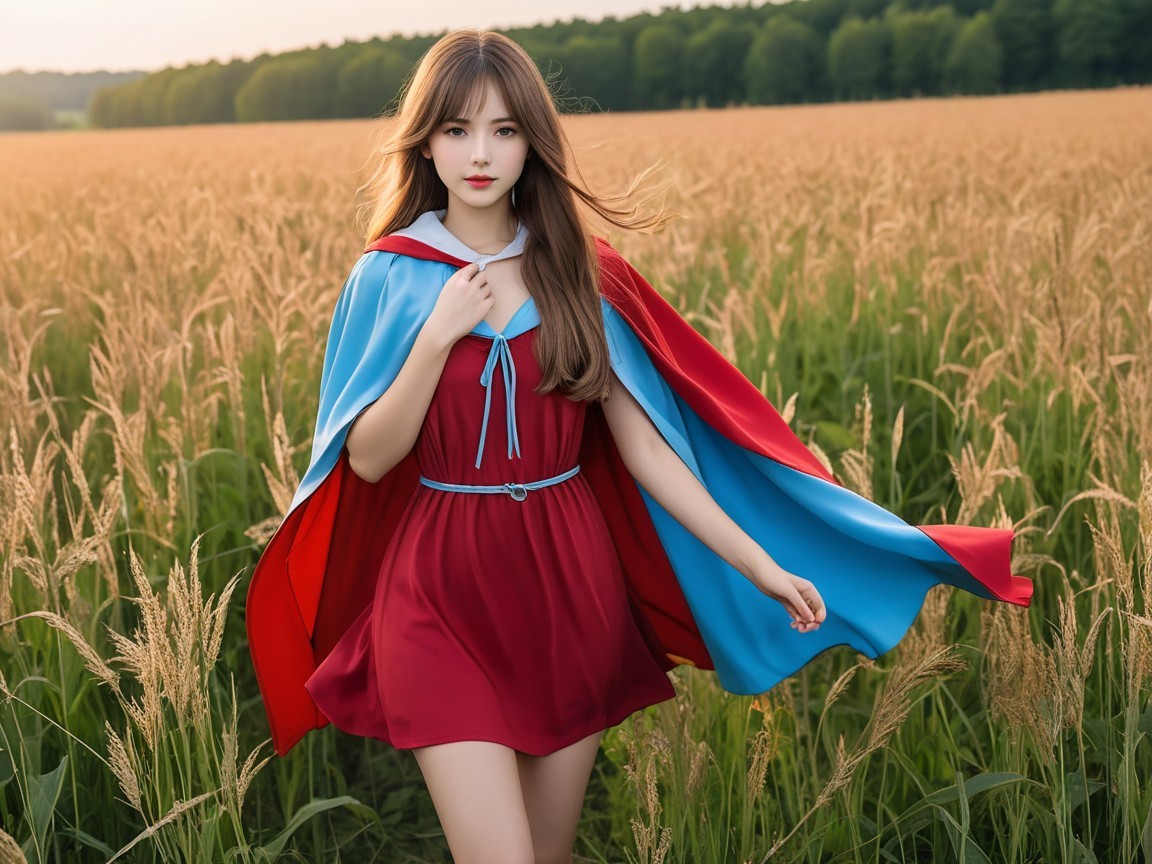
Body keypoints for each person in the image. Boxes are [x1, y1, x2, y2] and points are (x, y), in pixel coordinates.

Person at [245, 27, 1033, 864]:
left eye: (505, 130)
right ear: (426, 141)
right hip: (438, 590)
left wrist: (759, 563)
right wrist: (436, 338)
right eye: (457, 130)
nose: (481, 154)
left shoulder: (577, 271)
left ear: (532, 144)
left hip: (567, 584)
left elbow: (649, 454)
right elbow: (367, 457)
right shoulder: (388, 275)